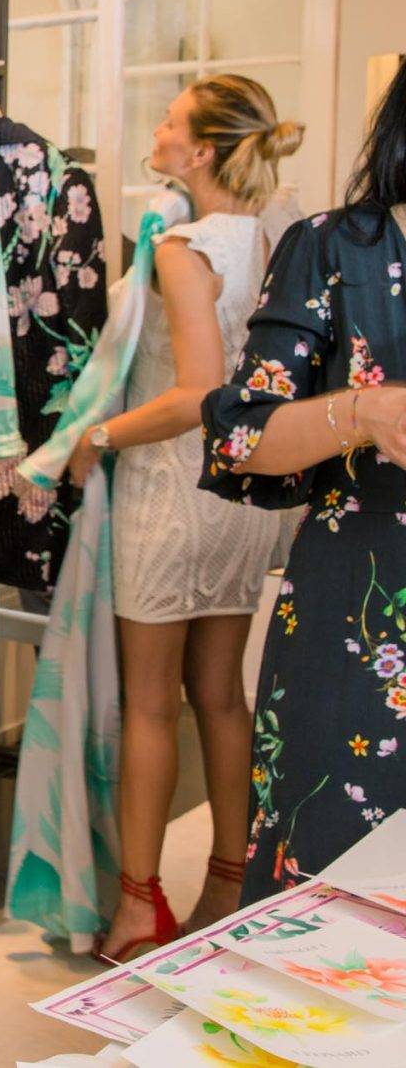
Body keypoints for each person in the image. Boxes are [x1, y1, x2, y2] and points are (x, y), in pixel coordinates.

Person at [66, 76, 304, 959]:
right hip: (244, 497)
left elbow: (200, 393)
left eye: (170, 121)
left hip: (172, 491)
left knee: (150, 707)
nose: (158, 131)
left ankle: (138, 905)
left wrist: (102, 431)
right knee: (221, 696)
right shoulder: (279, 238)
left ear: (200, 149)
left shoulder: (184, 248)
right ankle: (232, 885)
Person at [200, 64, 406, 905]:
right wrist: (362, 413)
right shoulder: (335, 248)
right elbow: (239, 437)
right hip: (353, 635)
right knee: (322, 908)